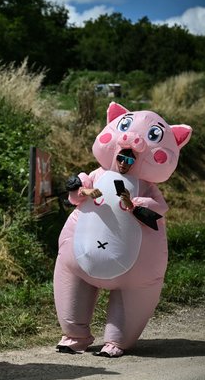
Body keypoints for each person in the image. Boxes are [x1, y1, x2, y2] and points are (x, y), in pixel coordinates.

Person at [54, 102, 191, 358]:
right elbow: (75, 195)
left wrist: (134, 204)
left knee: (134, 295)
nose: (128, 156)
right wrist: (81, 190)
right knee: (71, 280)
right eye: (123, 155)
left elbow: (158, 209)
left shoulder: (148, 187)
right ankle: (75, 334)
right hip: (80, 253)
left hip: (135, 265)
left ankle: (117, 339)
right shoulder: (97, 174)